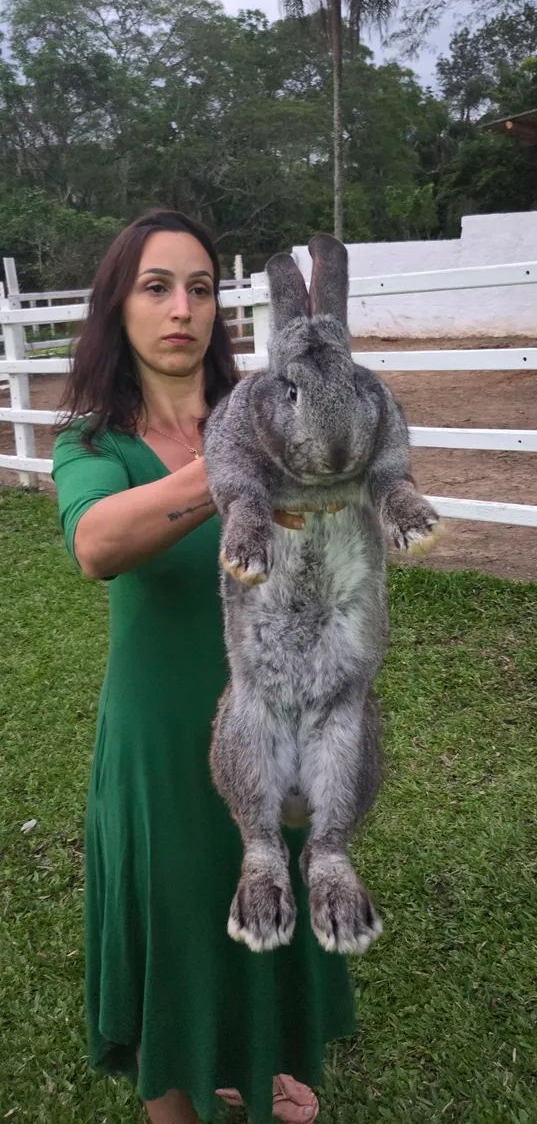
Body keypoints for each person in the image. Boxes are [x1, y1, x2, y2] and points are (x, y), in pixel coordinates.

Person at [52, 210, 356, 1124]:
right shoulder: (94, 448)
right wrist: (234, 462)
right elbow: (98, 545)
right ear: (120, 307)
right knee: (183, 921)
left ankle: (259, 1054)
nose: (180, 307)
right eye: (155, 287)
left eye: (197, 287)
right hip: (161, 741)